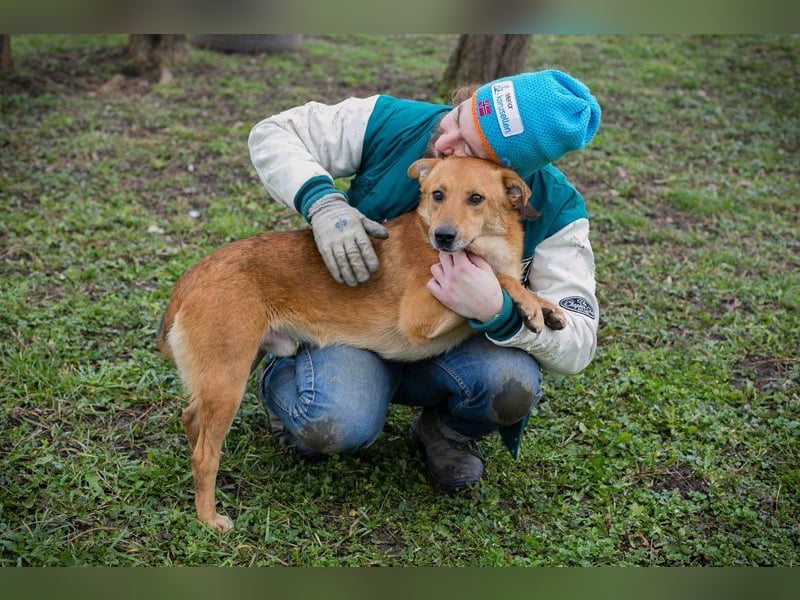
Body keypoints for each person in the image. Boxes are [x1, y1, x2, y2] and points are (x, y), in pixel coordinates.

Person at [248, 69, 601, 493]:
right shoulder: (392, 120)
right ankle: (288, 381)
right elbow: (273, 132)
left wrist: (500, 311)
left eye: (469, 147)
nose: (446, 143)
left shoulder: (560, 210)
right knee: (330, 420)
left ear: (510, 177)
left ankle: (447, 432)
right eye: (458, 118)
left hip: (448, 345)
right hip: (349, 330)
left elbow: (578, 343)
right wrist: (321, 201)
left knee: (512, 383)